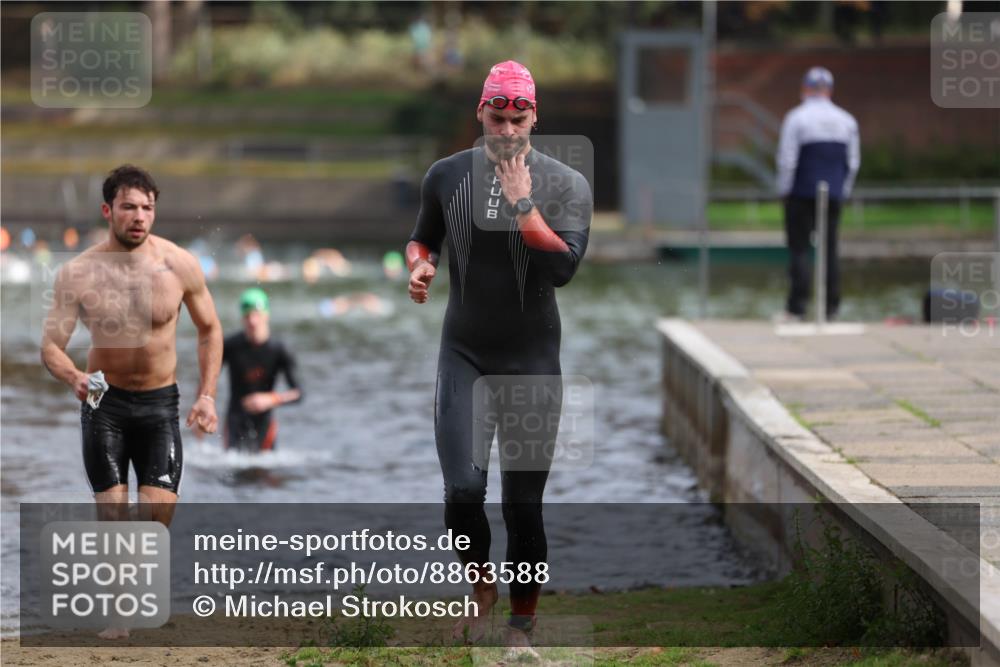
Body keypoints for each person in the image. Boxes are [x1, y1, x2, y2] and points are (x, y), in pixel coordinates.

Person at [406, 60, 592, 647]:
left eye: (518, 119)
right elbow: (423, 236)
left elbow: (562, 268)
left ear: (535, 117)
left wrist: (521, 204)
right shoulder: (445, 175)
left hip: (532, 362)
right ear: (480, 114)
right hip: (464, 354)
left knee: (522, 506)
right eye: (496, 118)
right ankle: (482, 586)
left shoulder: (566, 184)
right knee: (462, 491)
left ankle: (521, 624)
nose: (507, 131)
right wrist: (420, 265)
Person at [40, 164, 222, 636]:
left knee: (156, 518)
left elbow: (209, 329)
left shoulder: (179, 264)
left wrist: (206, 395)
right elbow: (51, 346)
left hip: (161, 403)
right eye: (128, 207)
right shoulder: (78, 273)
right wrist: (75, 377)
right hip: (104, 401)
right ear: (108, 210)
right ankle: (120, 613)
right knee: (113, 514)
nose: (139, 216)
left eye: (147, 207)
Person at [775, 66, 860, 322]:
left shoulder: (796, 118)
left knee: (799, 249)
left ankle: (797, 308)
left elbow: (787, 159)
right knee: (830, 249)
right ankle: (831, 308)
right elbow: (852, 163)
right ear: (829, 91)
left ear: (805, 88)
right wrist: (843, 191)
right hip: (832, 194)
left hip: (801, 193)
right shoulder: (847, 120)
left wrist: (784, 189)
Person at [221, 288, 302, 452]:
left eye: (257, 315)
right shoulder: (230, 346)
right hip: (235, 419)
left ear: (267, 315)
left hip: (265, 422)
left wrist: (271, 399)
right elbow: (207, 378)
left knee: (265, 466)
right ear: (242, 318)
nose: (252, 321)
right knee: (231, 464)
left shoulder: (279, 349)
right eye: (247, 316)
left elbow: (299, 393)